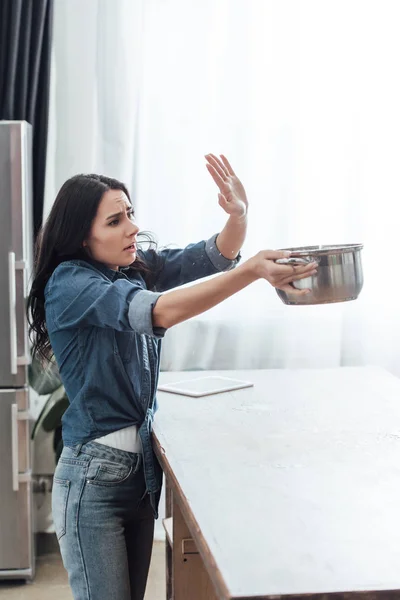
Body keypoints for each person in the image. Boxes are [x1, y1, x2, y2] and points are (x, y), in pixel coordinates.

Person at [27, 153, 317, 600]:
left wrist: (239, 215)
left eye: (130, 214)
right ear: (82, 237)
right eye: (114, 221)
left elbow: (211, 257)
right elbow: (163, 311)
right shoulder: (71, 282)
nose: (131, 228)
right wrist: (253, 272)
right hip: (93, 480)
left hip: (139, 475)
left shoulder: (128, 269)